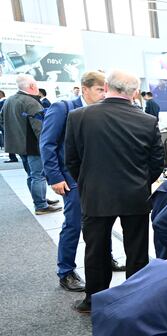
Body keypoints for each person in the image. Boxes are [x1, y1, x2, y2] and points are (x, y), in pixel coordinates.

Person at [64, 69, 164, 314]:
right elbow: (156, 163)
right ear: (134, 93)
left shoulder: (79, 117)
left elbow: (72, 159)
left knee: (95, 249)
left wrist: (87, 182)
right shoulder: (147, 121)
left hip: (95, 195)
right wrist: (140, 183)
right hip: (135, 196)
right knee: (137, 250)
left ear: (107, 86)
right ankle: (136, 299)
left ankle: (94, 301)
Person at [40, 70, 125, 292]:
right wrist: (55, 177)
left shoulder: (103, 111)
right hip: (71, 179)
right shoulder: (63, 108)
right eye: (99, 90)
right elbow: (47, 143)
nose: (102, 95)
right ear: (85, 88)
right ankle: (66, 271)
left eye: (104, 90)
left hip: (100, 178)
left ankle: (105, 259)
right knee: (73, 224)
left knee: (103, 222)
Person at [1, 74, 62, 214]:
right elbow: (40, 128)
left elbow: (2, 121)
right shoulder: (31, 102)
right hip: (33, 145)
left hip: (18, 145)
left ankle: (40, 199)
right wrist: (48, 146)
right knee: (38, 175)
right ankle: (41, 205)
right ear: (32, 86)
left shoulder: (9, 100)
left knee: (31, 174)